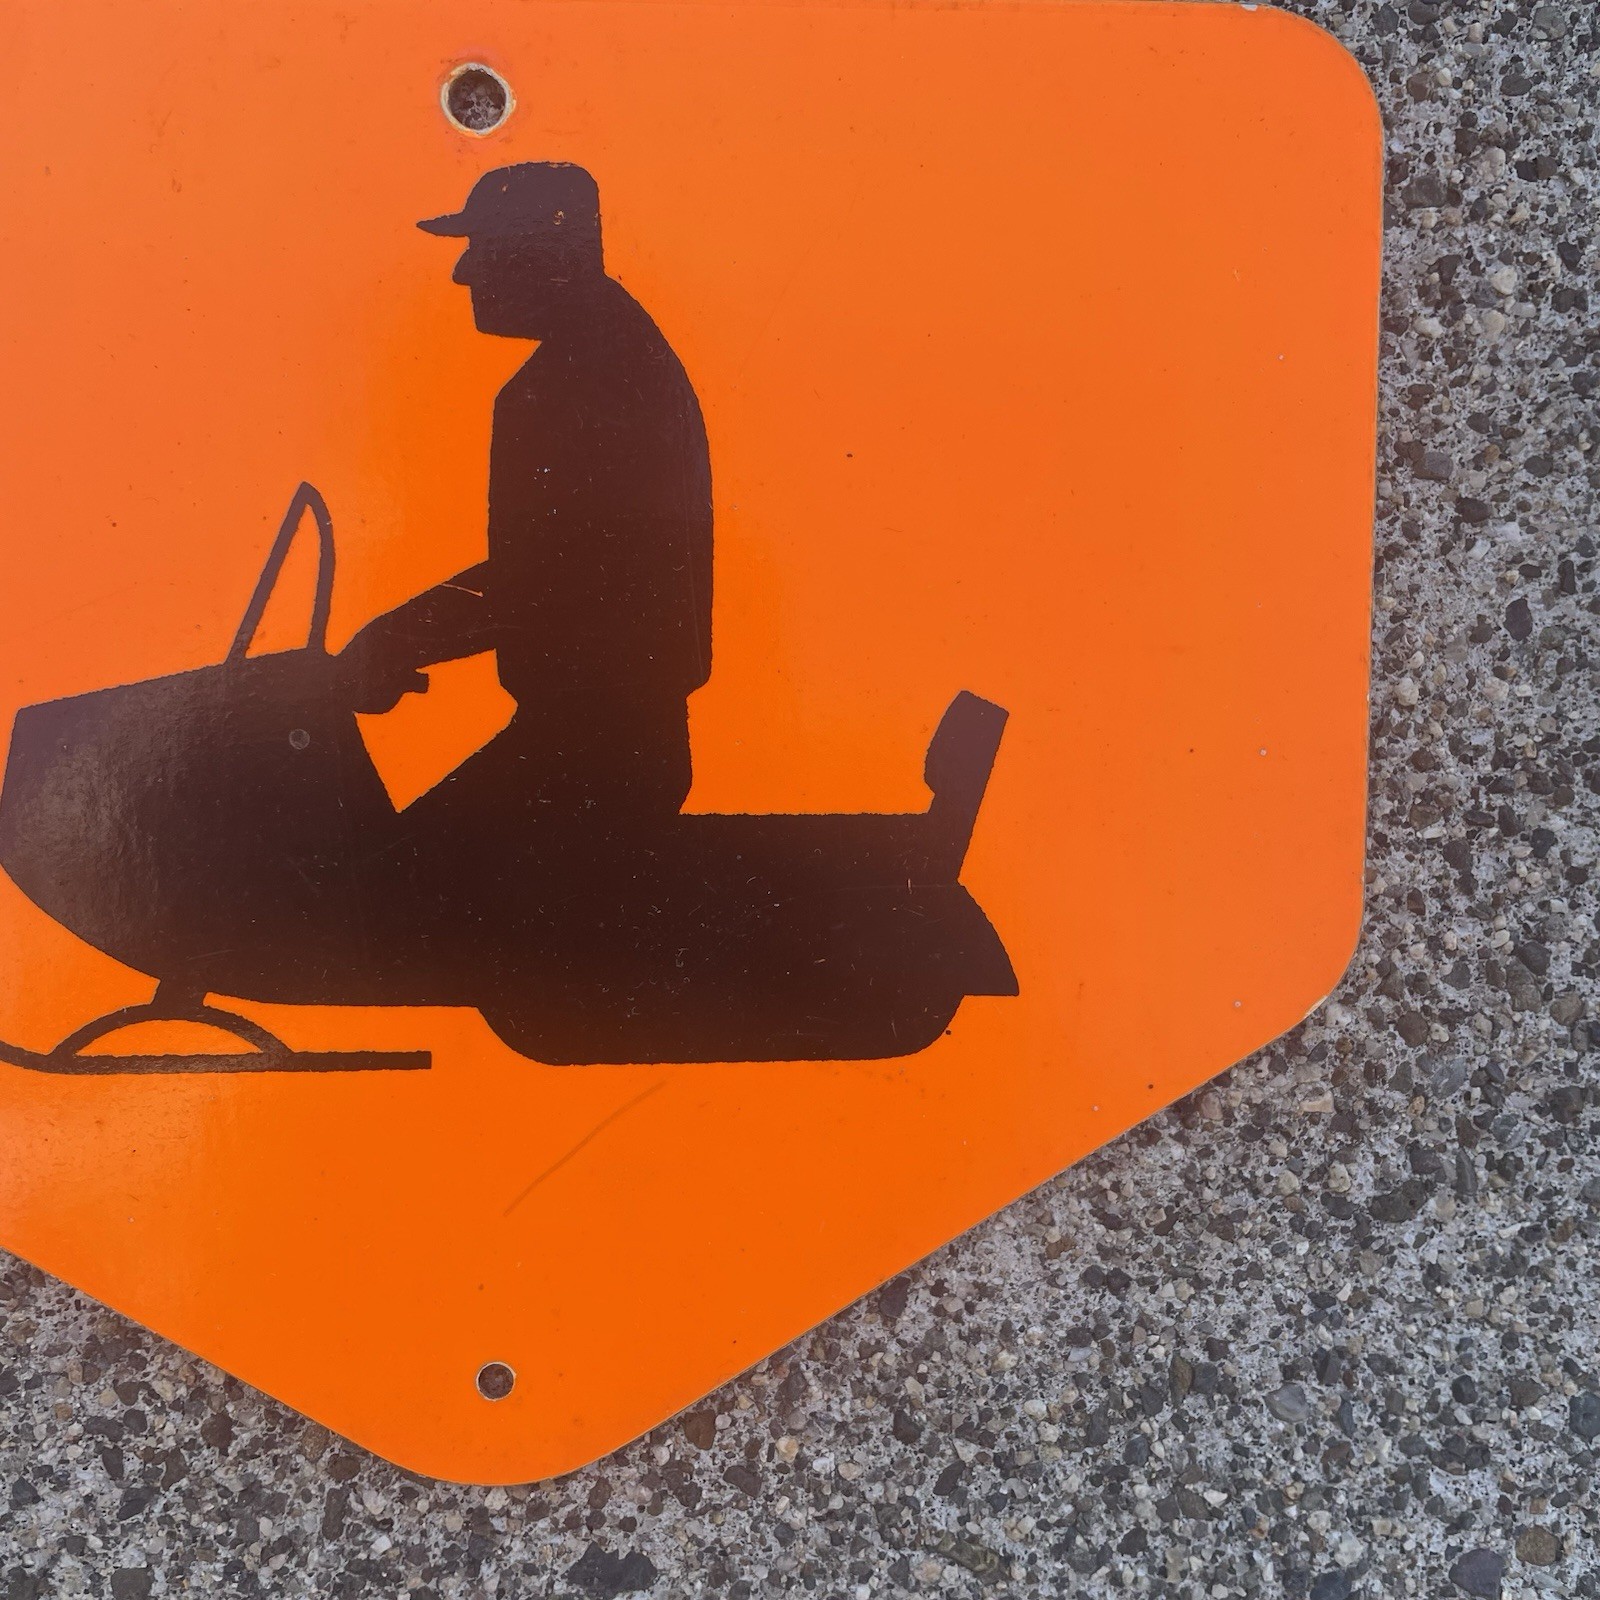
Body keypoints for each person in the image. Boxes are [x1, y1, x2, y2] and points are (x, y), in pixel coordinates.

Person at [340, 162, 713, 818]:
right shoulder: (619, 354)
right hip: (606, 744)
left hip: (588, 756)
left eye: (484, 249)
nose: (465, 274)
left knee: (387, 891)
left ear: (543, 253)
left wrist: (396, 639)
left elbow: (542, 579)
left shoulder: (568, 387)